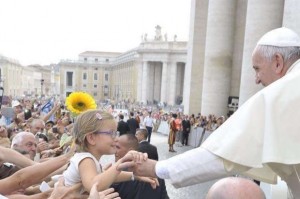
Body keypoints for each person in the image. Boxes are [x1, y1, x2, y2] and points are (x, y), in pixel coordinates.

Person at [117, 27, 300, 198]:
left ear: (277, 62)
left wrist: (157, 168)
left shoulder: (286, 91)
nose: (256, 80)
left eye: (257, 69)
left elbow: (223, 154)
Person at [62, 110, 157, 193]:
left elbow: (109, 177)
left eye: (116, 133)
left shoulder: (87, 158)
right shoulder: (86, 160)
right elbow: (94, 186)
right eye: (112, 133)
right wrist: (119, 165)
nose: (116, 138)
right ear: (91, 138)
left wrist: (135, 176)